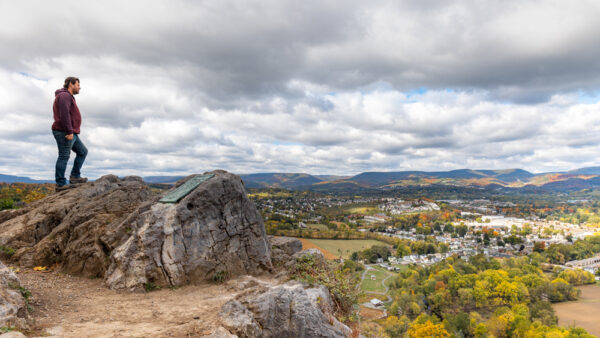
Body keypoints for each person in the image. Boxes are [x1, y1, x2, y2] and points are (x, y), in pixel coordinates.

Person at [51, 77, 88, 190]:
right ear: (71, 84)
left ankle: (75, 177)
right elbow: (64, 114)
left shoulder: (67, 96)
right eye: (78, 85)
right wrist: (69, 131)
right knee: (64, 155)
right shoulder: (64, 96)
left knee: (82, 151)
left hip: (71, 132)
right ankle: (60, 184)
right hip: (65, 131)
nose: (79, 87)